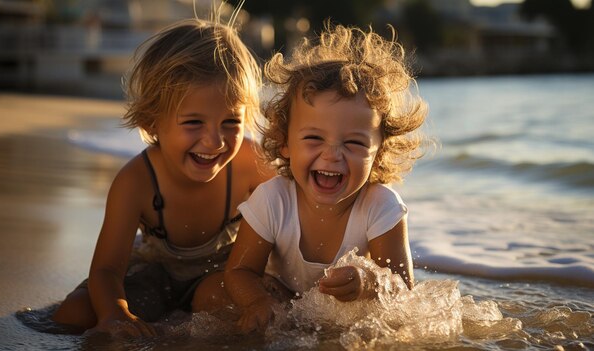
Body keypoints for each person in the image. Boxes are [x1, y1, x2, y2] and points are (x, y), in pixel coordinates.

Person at [51, 17, 271, 337]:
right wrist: (116, 314)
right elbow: (106, 270)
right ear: (152, 121)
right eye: (194, 122)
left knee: (221, 304)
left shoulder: (251, 164)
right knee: (74, 313)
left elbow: (293, 219)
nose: (215, 141)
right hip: (154, 272)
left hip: (219, 274)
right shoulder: (136, 181)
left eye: (231, 123)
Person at [224, 22, 428, 333]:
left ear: (379, 153)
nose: (332, 155)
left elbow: (403, 289)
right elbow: (240, 272)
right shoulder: (272, 199)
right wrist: (256, 302)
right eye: (314, 139)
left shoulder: (380, 206)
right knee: (211, 298)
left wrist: (369, 283)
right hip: (280, 297)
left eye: (354, 143)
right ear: (285, 142)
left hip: (339, 316)